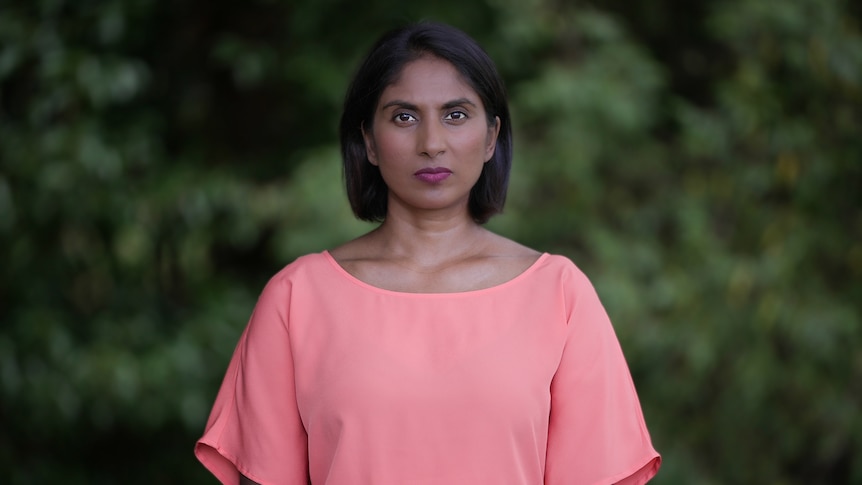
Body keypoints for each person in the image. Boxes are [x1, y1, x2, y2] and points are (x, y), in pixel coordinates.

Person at [194, 21, 661, 485]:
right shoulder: (297, 298)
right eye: (404, 117)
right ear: (370, 142)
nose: (432, 143)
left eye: (456, 115)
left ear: (492, 137)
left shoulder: (559, 295)